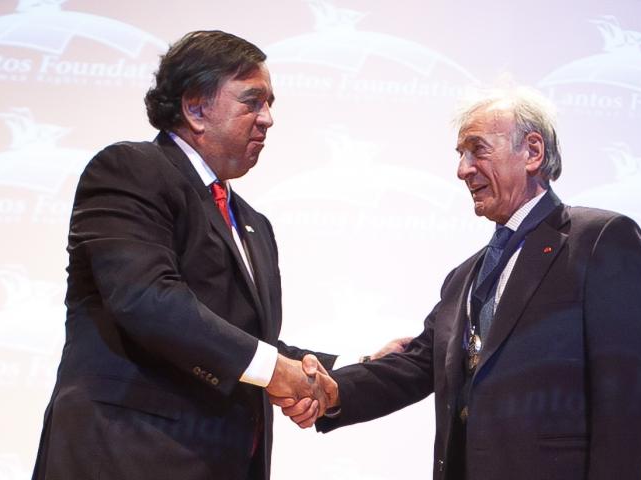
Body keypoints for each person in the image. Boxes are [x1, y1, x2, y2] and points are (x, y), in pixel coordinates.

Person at [31, 30, 403, 480]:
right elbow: (148, 300)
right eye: (252, 102)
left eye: (270, 105)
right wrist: (273, 370)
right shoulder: (130, 170)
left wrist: (343, 370)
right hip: (125, 457)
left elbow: (245, 340)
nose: (267, 119)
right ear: (195, 107)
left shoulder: (254, 224)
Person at [278, 87, 641, 479]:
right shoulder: (464, 278)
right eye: (461, 155)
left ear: (532, 152)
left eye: (477, 150)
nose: (463, 169)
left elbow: (627, 401)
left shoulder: (599, 240)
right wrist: (333, 391)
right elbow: (415, 365)